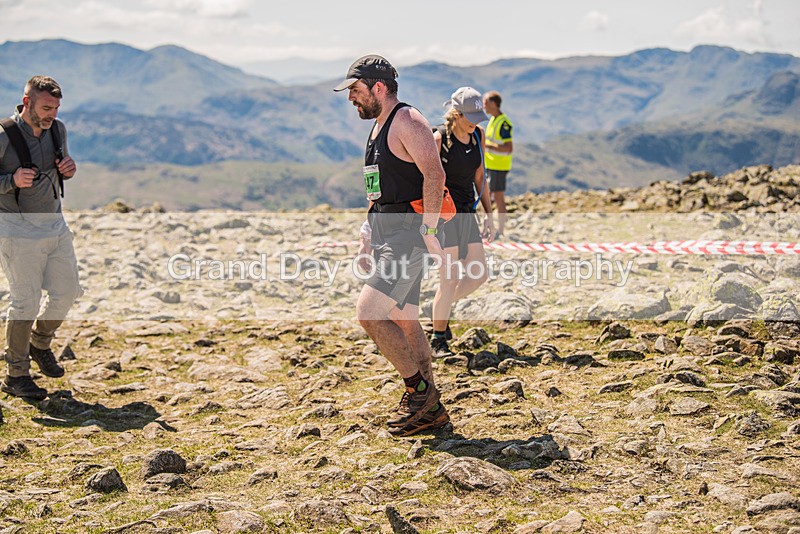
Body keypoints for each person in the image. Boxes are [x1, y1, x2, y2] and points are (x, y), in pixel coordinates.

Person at [334, 54, 450, 437]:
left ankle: (419, 394)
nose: (351, 97)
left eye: (355, 89)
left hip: (407, 234)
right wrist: (368, 234)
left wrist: (429, 230)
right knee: (404, 318)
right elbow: (378, 187)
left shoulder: (407, 120)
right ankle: (429, 408)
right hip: (387, 231)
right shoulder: (379, 126)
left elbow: (434, 172)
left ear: (377, 88)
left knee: (369, 313)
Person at [0, 76, 80, 401]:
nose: (52, 114)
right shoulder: (4, 135)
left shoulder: (57, 130)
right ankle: (15, 375)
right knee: (25, 302)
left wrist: (69, 169)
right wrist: (11, 180)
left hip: (55, 227)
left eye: (56, 108)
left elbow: (61, 169)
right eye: (46, 108)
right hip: (17, 232)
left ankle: (40, 342)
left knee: (68, 290)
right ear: (27, 101)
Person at [430, 87, 494, 357]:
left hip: (467, 211)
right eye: (470, 116)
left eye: (478, 116)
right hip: (445, 217)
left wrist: (490, 214)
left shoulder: (478, 136)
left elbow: (480, 177)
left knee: (479, 274)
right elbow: (429, 182)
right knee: (450, 278)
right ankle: (437, 339)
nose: (475, 122)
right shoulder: (438, 139)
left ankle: (439, 312)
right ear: (455, 114)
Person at [482, 91, 513, 238]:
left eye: (486, 102)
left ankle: (500, 230)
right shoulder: (492, 121)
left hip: (499, 166)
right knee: (487, 196)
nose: (484, 106)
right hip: (491, 165)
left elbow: (508, 148)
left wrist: (489, 147)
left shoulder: (503, 122)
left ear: (494, 103)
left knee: (498, 198)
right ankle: (488, 227)